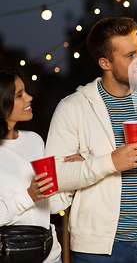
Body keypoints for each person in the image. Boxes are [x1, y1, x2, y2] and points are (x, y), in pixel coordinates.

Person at [44, 17, 137, 263]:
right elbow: (53, 178)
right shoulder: (74, 107)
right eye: (130, 55)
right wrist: (109, 162)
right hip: (98, 249)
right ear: (105, 62)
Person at [0, 68, 81, 263]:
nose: (29, 97)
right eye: (20, 95)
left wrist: (74, 177)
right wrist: (29, 195)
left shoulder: (34, 140)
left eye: (25, 91)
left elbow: (50, 206)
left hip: (50, 256)